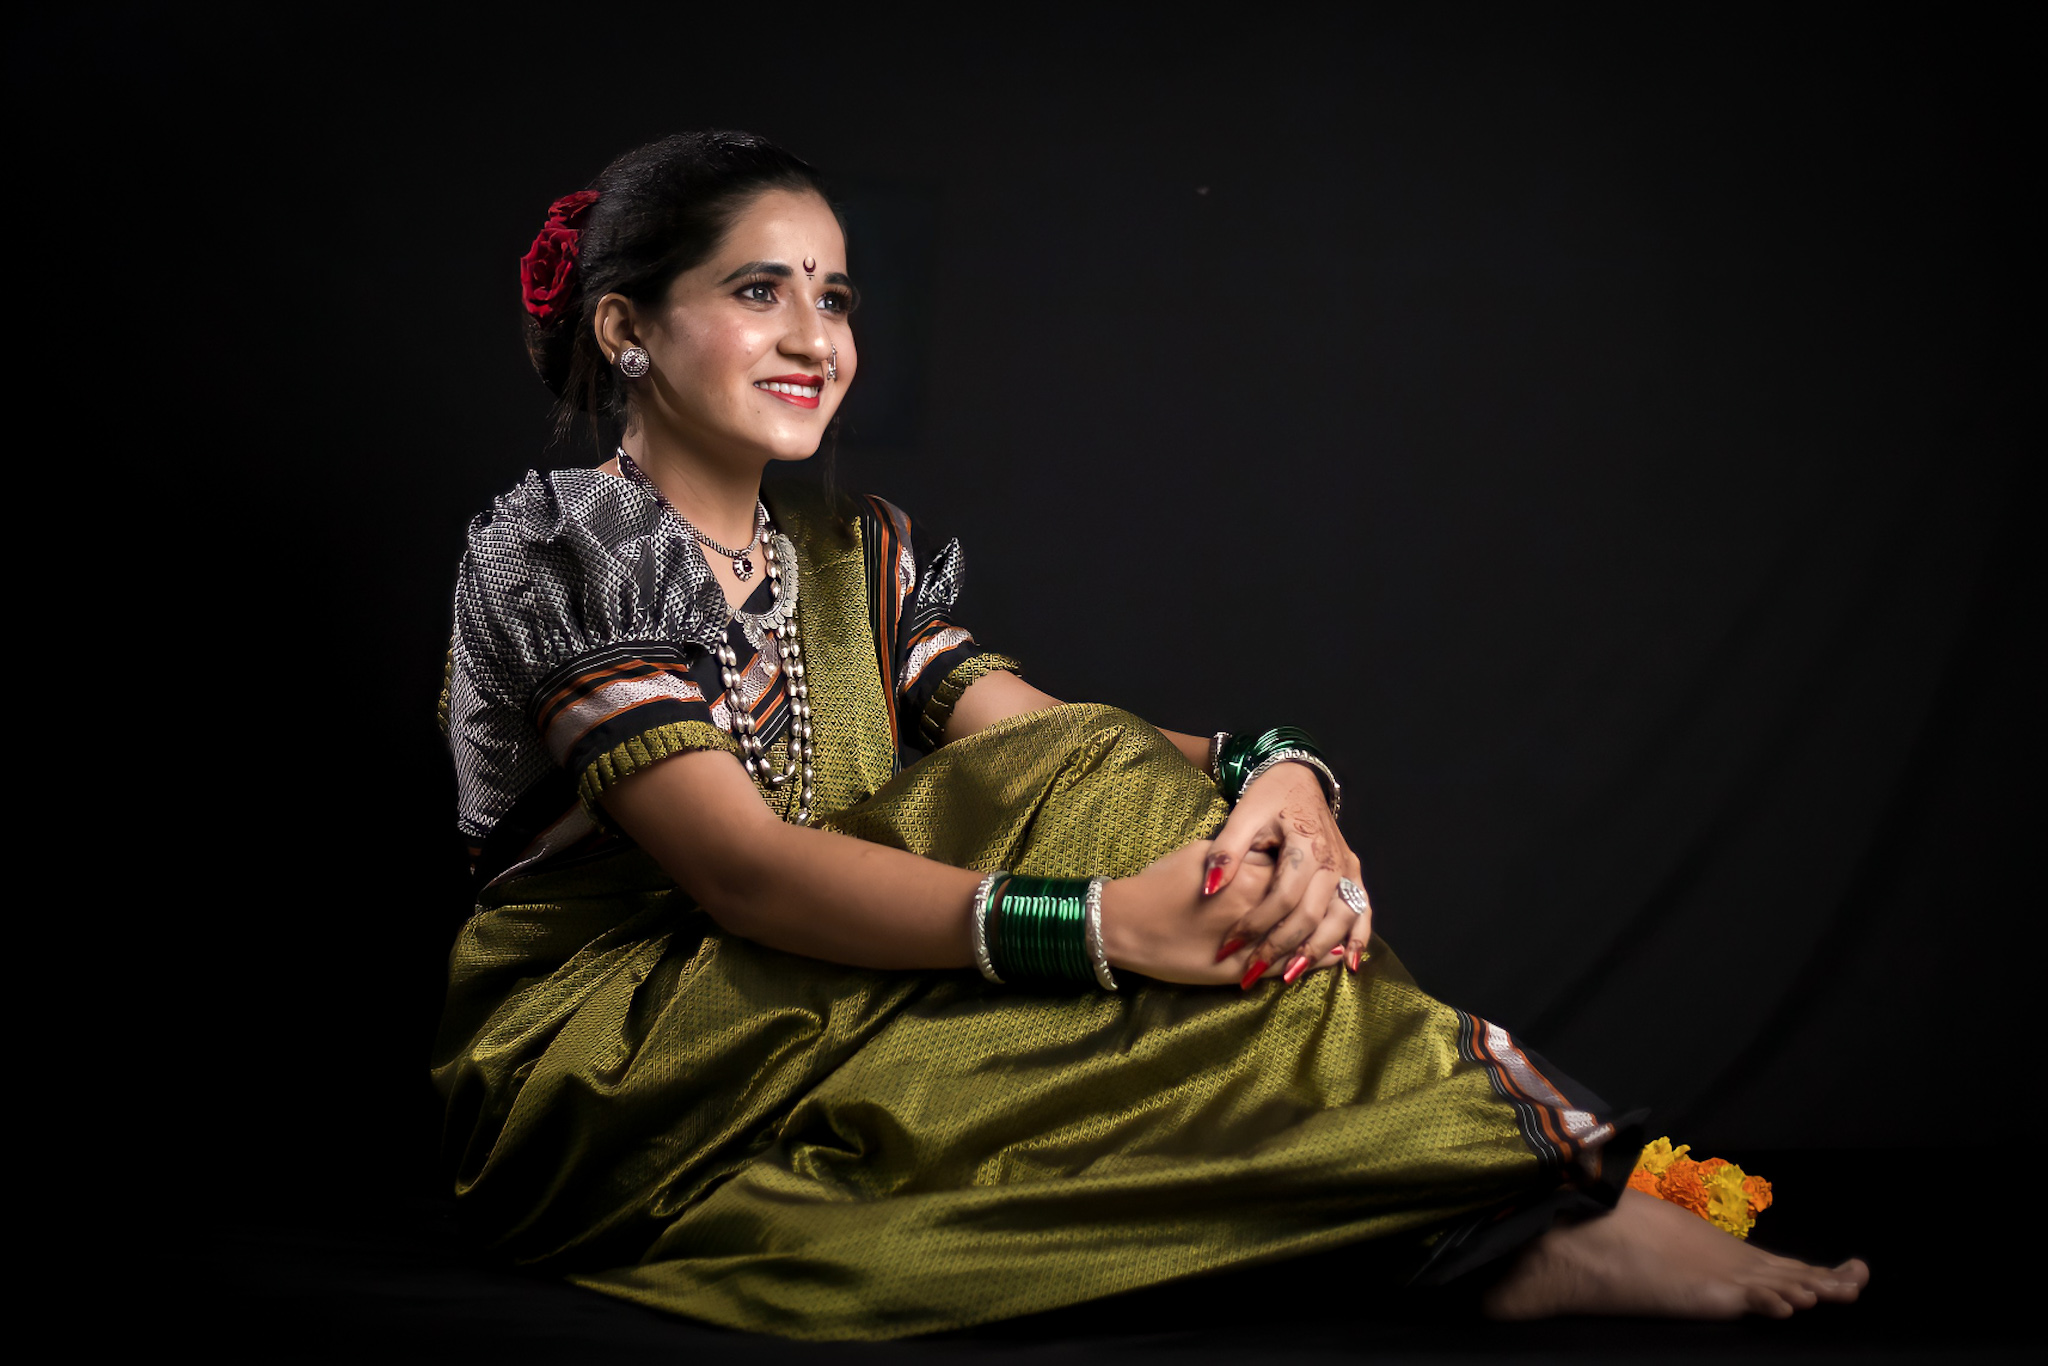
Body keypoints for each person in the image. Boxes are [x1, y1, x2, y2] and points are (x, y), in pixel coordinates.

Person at [434, 130, 1868, 1341]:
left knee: (1135, 864)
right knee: (1105, 886)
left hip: (818, 996)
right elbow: (744, 874)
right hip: (621, 1062)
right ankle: (1543, 1201)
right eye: (761, 290)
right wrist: (1104, 926)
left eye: (838, 297)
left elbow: (1053, 737)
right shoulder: (562, 550)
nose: (819, 338)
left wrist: (1280, 773)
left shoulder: (848, 556)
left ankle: (1499, 1235)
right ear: (624, 327)